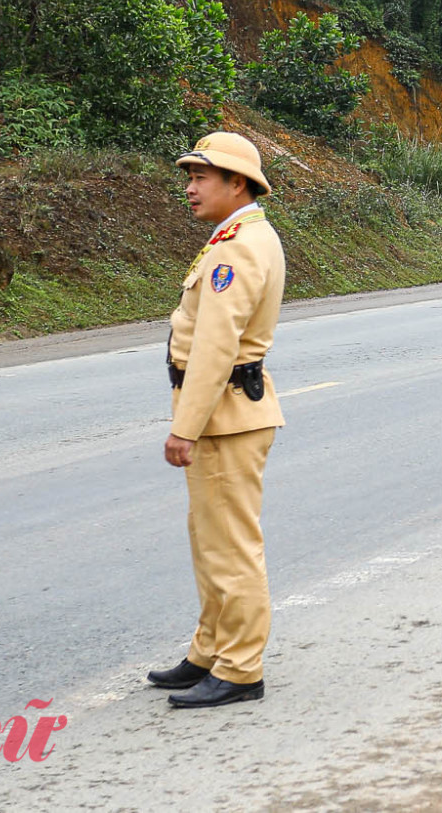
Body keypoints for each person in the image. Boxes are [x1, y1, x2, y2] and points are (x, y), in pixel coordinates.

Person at [149, 132, 286, 709]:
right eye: (190, 176)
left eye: (201, 177)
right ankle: (210, 650)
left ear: (238, 184)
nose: (190, 187)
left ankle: (240, 667)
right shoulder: (235, 236)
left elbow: (213, 346)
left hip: (224, 415)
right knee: (209, 541)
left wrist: (185, 424)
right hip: (224, 413)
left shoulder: (238, 246)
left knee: (229, 546)